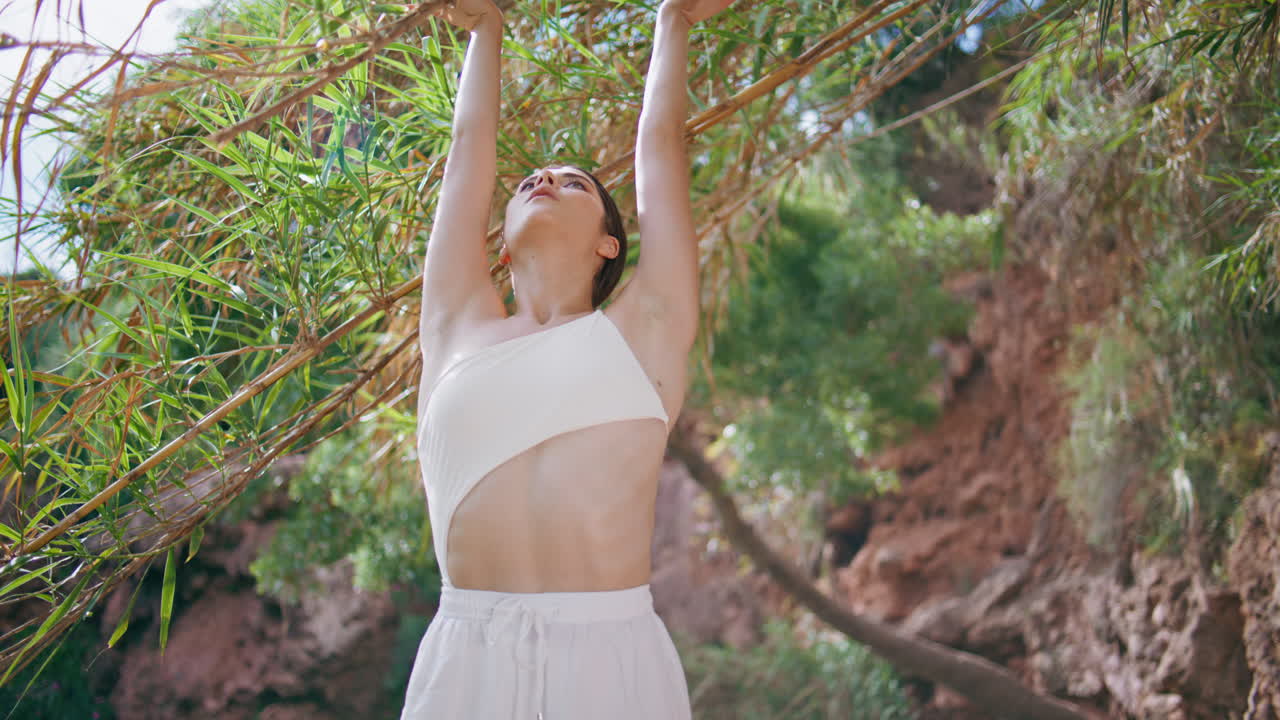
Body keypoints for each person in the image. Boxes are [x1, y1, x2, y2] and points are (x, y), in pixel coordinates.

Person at [401, 0, 735, 717]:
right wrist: (485, 30)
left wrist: (673, 19)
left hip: (608, 661)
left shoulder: (645, 328)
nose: (545, 180)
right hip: (466, 662)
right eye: (530, 183)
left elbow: (661, 146)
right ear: (502, 243)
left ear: (610, 243)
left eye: (574, 181)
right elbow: (467, 151)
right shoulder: (456, 325)